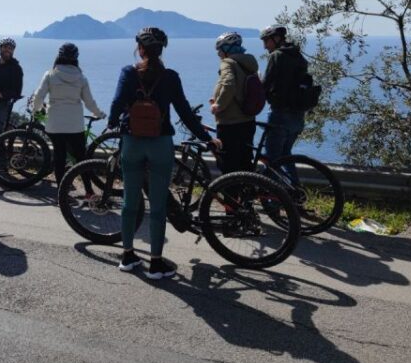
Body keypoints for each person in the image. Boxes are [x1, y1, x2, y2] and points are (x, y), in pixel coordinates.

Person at [108, 27, 221, 280]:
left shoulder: (128, 72)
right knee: (158, 206)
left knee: (130, 202)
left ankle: (127, 256)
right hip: (160, 144)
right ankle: (156, 264)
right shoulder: (170, 76)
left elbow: (115, 104)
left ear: (140, 48)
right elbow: (185, 113)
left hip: (132, 142)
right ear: (161, 50)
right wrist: (207, 139)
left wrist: (113, 121)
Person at [31, 42, 106, 186]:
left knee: (59, 157)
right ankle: (89, 192)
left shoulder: (50, 74)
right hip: (75, 125)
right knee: (81, 159)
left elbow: (39, 96)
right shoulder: (81, 78)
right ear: (76, 58)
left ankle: (62, 193)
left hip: (55, 124)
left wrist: (36, 110)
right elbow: (89, 103)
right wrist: (100, 113)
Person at [260, 25, 307, 180]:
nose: (265, 45)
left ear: (277, 38)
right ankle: (295, 193)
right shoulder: (298, 57)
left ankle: (272, 199)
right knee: (286, 156)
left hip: (280, 114)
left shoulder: (277, 56)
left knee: (271, 158)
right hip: (298, 116)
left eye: (266, 40)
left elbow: (266, 85)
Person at [209, 32, 259, 173]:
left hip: (230, 123)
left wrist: (218, 105)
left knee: (228, 165)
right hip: (248, 121)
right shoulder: (249, 64)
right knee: (245, 162)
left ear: (227, 49)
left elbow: (229, 83)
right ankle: (246, 193)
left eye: (220, 49)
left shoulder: (228, 63)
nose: (218, 53)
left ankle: (231, 194)